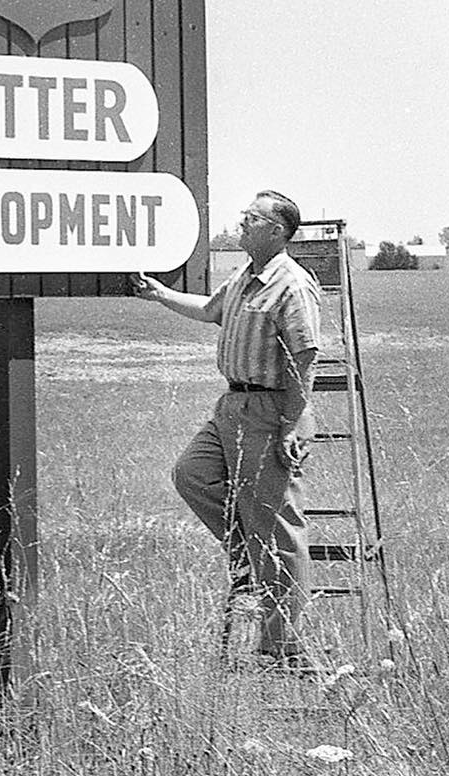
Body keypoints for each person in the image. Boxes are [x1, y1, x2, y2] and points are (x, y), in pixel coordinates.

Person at [131, 189, 321, 672]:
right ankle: (246, 554)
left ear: (276, 230)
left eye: (251, 217)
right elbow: (210, 310)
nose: (242, 222)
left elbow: (305, 356)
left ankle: (282, 649)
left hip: (269, 409)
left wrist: (295, 420)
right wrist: (160, 294)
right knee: (192, 474)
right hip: (231, 405)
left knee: (278, 528)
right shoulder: (242, 276)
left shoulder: (292, 285)